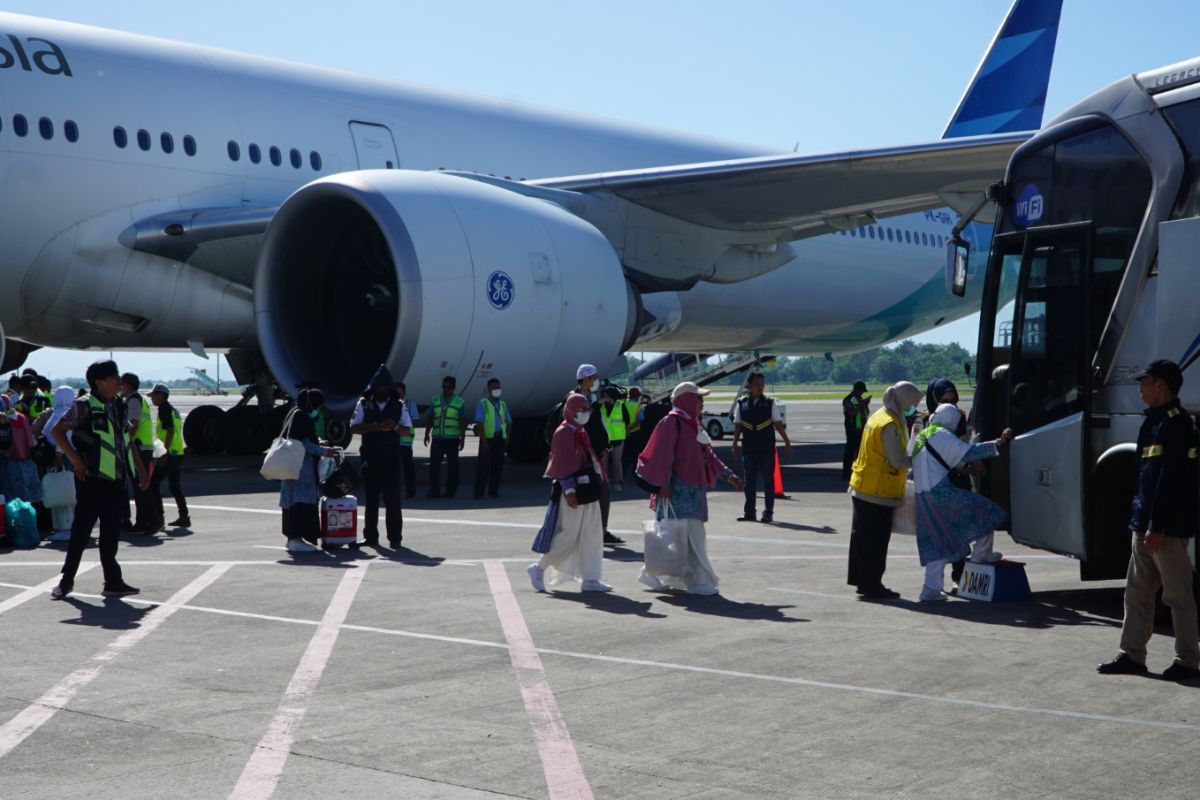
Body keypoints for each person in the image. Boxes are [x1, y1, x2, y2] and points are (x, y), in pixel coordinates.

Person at [1098, 360, 1200, 680]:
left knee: (1177, 596)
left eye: (1145, 383)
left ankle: (1187, 660)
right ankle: (1132, 654)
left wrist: (1156, 525)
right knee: (1137, 593)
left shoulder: (1177, 424)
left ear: (1161, 386)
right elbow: (1146, 478)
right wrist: (1140, 523)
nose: (1140, 389)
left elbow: (1171, 481)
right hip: (1144, 525)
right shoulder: (1154, 423)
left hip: (1164, 529)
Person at [49, 359, 148, 599]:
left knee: (111, 533)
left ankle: (113, 581)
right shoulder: (84, 405)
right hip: (92, 480)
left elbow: (126, 439)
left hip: (116, 480)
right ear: (99, 381)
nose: (118, 381)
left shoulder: (119, 405)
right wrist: (76, 461)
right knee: (81, 532)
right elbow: (57, 432)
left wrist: (141, 470)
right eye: (113, 377)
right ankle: (66, 580)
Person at [635, 382, 745, 594]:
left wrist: (729, 476)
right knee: (692, 535)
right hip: (676, 493)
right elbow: (663, 456)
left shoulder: (695, 424)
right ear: (686, 400)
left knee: (678, 538)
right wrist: (663, 484)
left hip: (694, 492)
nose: (702, 403)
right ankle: (698, 582)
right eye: (698, 399)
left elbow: (709, 456)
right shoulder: (671, 423)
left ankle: (650, 572)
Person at [910, 404, 1012, 601]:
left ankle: (930, 589)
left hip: (922, 498)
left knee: (935, 543)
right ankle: (982, 553)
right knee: (985, 511)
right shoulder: (940, 435)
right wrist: (997, 443)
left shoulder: (922, 435)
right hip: (941, 494)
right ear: (951, 420)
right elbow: (969, 453)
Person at [527, 394, 613, 593]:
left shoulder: (579, 431)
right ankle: (538, 568)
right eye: (582, 408)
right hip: (573, 493)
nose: (586, 412)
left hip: (589, 491)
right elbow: (562, 464)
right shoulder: (564, 433)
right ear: (571, 410)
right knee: (569, 535)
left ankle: (591, 579)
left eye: (587, 408)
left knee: (592, 534)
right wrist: (570, 490)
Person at [847, 381, 923, 600]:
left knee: (862, 540)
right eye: (912, 403)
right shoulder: (889, 424)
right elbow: (898, 460)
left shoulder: (880, 415)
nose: (913, 408)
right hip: (877, 491)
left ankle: (863, 582)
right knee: (875, 542)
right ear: (903, 400)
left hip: (865, 486)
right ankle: (873, 585)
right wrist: (920, 457)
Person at [350, 365, 410, 548]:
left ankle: (395, 538)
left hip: (391, 458)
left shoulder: (398, 405)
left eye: (385, 387)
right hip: (371, 457)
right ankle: (371, 537)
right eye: (379, 387)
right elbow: (353, 426)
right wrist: (373, 427)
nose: (382, 390)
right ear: (373, 388)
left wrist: (393, 427)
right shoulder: (364, 403)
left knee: (393, 500)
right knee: (371, 499)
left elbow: (406, 431)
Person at [278, 389, 338, 553]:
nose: (317, 411)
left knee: (293, 504)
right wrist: (325, 451)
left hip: (291, 470)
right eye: (317, 407)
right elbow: (303, 443)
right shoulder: (301, 417)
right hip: (301, 472)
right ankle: (296, 538)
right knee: (301, 503)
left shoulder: (294, 413)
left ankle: (294, 539)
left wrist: (319, 444)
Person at [731, 372, 793, 523]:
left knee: (768, 482)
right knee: (749, 483)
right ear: (749, 386)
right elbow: (738, 426)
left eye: (762, 384)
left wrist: (787, 442)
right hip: (749, 449)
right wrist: (734, 444)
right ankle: (749, 513)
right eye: (757, 384)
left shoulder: (769, 403)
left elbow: (778, 424)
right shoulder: (742, 404)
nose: (761, 387)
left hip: (766, 449)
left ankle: (768, 513)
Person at [32, 386, 79, 542]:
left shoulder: (61, 414)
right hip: (72, 456)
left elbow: (64, 435)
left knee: (62, 492)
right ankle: (70, 526)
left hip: (62, 457)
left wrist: (59, 454)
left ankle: (66, 528)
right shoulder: (75, 411)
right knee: (70, 491)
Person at [119, 372, 162, 534]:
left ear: (127, 385)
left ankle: (152, 521)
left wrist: (124, 438)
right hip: (143, 446)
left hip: (139, 447)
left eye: (122, 384)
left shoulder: (134, 400)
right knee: (140, 488)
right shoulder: (137, 399)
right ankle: (143, 522)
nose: (120, 387)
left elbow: (134, 423)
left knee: (142, 487)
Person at [149, 384, 190, 528]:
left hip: (170, 453)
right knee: (175, 486)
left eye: (153, 395)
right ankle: (184, 516)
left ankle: (159, 519)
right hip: (178, 452)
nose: (152, 399)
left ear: (161, 395)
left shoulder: (164, 409)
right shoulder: (173, 410)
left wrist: (163, 452)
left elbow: (170, 431)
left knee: (153, 484)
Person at [424, 375, 465, 498]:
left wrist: (462, 438)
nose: (446, 389)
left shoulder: (459, 402)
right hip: (437, 438)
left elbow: (463, 421)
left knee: (453, 467)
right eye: (444, 386)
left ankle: (450, 491)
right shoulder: (435, 400)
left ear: (453, 388)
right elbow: (431, 417)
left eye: (449, 387)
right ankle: (434, 490)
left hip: (452, 439)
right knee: (434, 466)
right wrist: (427, 433)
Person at [472, 377, 511, 499]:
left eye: (498, 388)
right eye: (494, 388)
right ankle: (478, 493)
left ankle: (493, 491)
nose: (497, 390)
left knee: (498, 467)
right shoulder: (483, 403)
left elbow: (509, 422)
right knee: (483, 467)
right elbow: (479, 423)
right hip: (488, 439)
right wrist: (483, 442)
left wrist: (507, 437)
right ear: (488, 390)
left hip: (500, 438)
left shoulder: (503, 404)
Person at [599, 386, 630, 493]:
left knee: (617, 463)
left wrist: (626, 433)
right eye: (604, 395)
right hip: (604, 440)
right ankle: (604, 483)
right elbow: (591, 409)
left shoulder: (620, 405)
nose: (605, 397)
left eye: (607, 395)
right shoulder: (601, 406)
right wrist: (600, 401)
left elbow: (627, 421)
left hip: (617, 439)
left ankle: (618, 482)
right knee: (603, 463)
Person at [841, 381, 870, 480]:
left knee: (861, 453)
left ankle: (859, 472)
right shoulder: (847, 400)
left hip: (862, 430)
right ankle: (846, 473)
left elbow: (866, 412)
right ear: (856, 390)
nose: (862, 394)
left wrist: (865, 404)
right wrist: (861, 405)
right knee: (849, 452)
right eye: (861, 391)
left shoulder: (860, 399)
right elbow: (852, 413)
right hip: (852, 430)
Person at [396, 381, 419, 498]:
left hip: (405, 443)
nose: (398, 395)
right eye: (396, 393)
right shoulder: (391, 404)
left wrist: (401, 424)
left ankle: (411, 492)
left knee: (408, 469)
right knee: (393, 469)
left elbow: (414, 420)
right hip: (393, 442)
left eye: (400, 393)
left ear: (404, 393)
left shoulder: (410, 404)